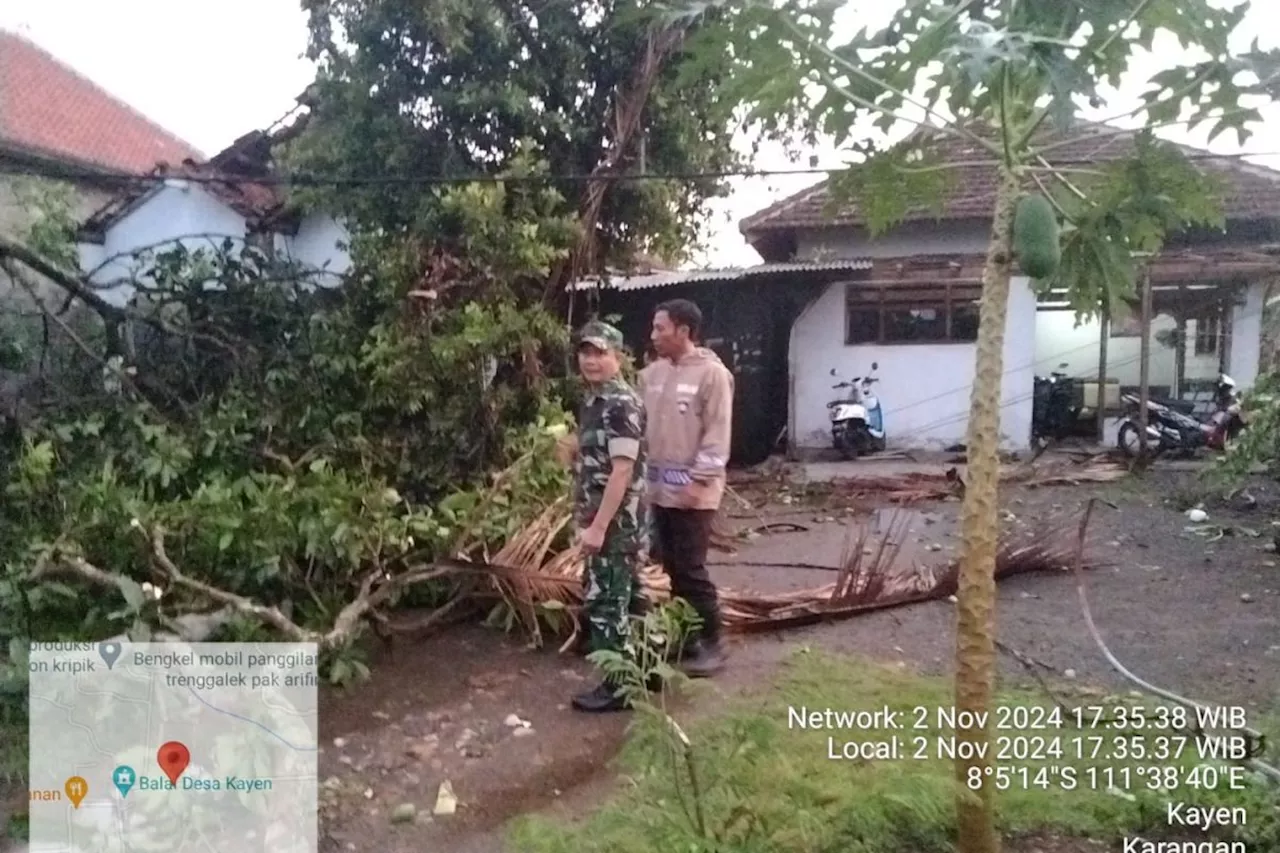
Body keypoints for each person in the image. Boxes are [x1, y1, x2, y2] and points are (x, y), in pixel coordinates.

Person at [557, 320, 649, 713]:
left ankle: (620, 687)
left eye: (601, 353)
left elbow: (623, 470)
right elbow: (600, 455)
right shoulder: (594, 402)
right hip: (604, 519)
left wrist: (597, 528)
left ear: (618, 357)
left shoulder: (621, 403)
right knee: (629, 599)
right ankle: (645, 669)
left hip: (615, 525)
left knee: (607, 603)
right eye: (586, 352)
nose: (592, 361)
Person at [640, 299, 733, 677]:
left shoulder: (712, 375)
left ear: (683, 331)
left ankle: (714, 644)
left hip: (696, 494)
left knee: (692, 569)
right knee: (674, 568)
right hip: (659, 493)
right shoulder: (650, 375)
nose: (653, 335)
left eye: (660, 328)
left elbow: (718, 432)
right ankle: (687, 637)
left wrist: (700, 481)